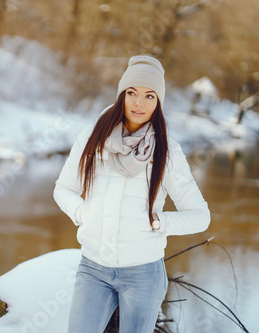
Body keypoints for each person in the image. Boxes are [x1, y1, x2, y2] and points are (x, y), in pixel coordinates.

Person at [53, 55, 210, 333]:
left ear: (158, 101)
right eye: (132, 93)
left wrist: (159, 222)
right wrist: (82, 213)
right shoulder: (92, 139)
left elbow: (200, 217)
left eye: (149, 96)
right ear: (121, 95)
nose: (139, 103)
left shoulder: (167, 151)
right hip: (93, 268)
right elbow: (63, 189)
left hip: (143, 274)